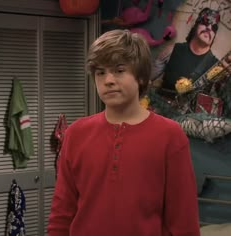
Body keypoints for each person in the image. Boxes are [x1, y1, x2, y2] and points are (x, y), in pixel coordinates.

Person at [47, 29, 200, 236]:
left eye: (119, 70)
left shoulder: (169, 136)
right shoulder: (76, 134)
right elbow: (62, 212)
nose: (108, 80)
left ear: (141, 77)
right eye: (100, 72)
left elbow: (183, 219)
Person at [151, 7, 229, 96]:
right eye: (206, 22)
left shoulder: (216, 67)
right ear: (196, 25)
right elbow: (146, 80)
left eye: (214, 28)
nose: (209, 28)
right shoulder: (172, 50)